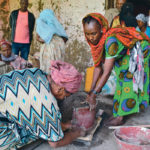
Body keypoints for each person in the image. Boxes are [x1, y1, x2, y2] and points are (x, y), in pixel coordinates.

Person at [82, 13, 150, 126]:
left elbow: (106, 71)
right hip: (126, 51)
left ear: (102, 29)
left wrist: (94, 94)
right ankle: (119, 110)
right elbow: (98, 67)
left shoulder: (110, 42)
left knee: (129, 80)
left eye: (94, 33)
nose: (90, 37)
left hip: (140, 50)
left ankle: (121, 116)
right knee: (121, 77)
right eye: (87, 34)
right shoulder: (95, 42)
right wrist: (91, 90)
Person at [0, 60, 85, 149]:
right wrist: (76, 134)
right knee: (38, 132)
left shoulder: (37, 72)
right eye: (69, 94)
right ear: (60, 89)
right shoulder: (47, 103)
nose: (66, 97)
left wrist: (63, 125)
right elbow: (55, 143)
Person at [36, 9, 68, 74]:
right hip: (60, 45)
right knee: (58, 69)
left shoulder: (41, 22)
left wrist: (46, 39)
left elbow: (38, 38)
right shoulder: (57, 25)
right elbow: (65, 39)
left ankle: (49, 82)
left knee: (48, 70)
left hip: (48, 48)